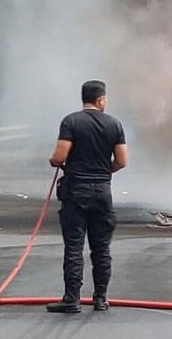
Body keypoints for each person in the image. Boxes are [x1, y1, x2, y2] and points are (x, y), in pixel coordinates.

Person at [46, 80, 128, 313]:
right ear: (101, 99)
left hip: (76, 193)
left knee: (74, 247)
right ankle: (100, 299)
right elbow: (122, 161)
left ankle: (72, 299)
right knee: (101, 249)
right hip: (102, 193)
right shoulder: (114, 124)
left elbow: (59, 156)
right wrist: (103, 172)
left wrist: (55, 162)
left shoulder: (71, 121)